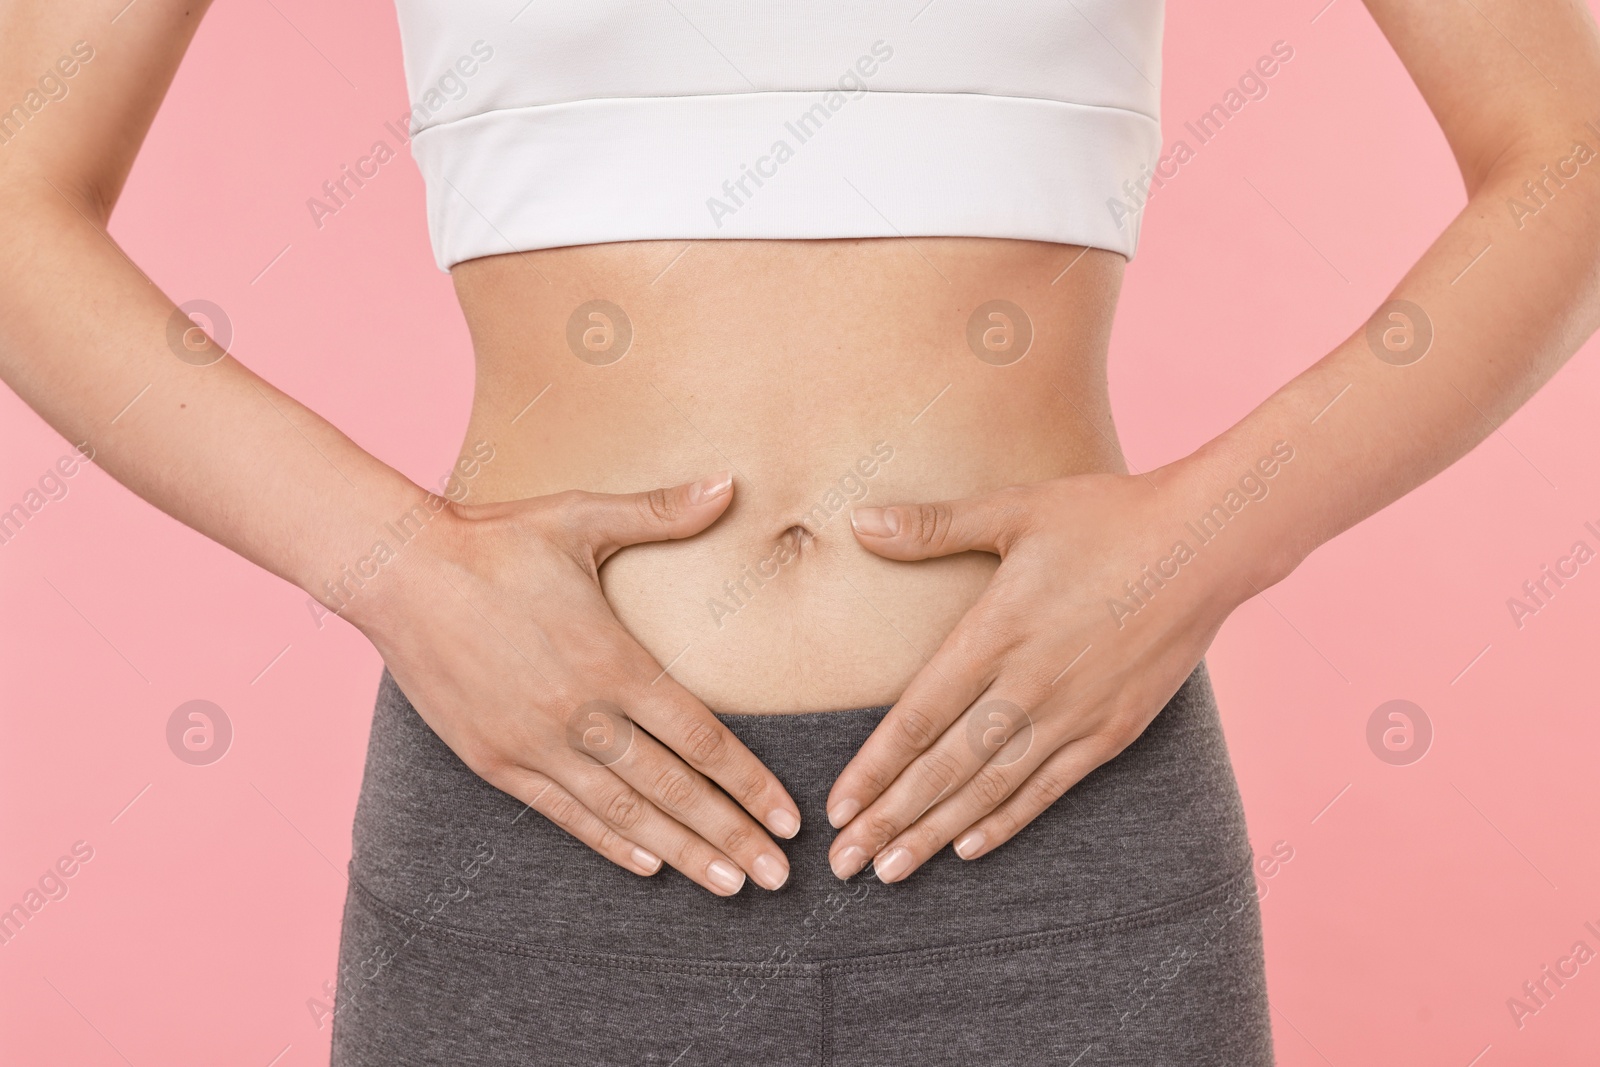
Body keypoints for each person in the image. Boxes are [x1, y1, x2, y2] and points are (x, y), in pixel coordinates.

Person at [3, 1, 1599, 1063]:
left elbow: (1571, 153)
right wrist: (395, 572)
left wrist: (1216, 535)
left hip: (1052, 823)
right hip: (544, 823)